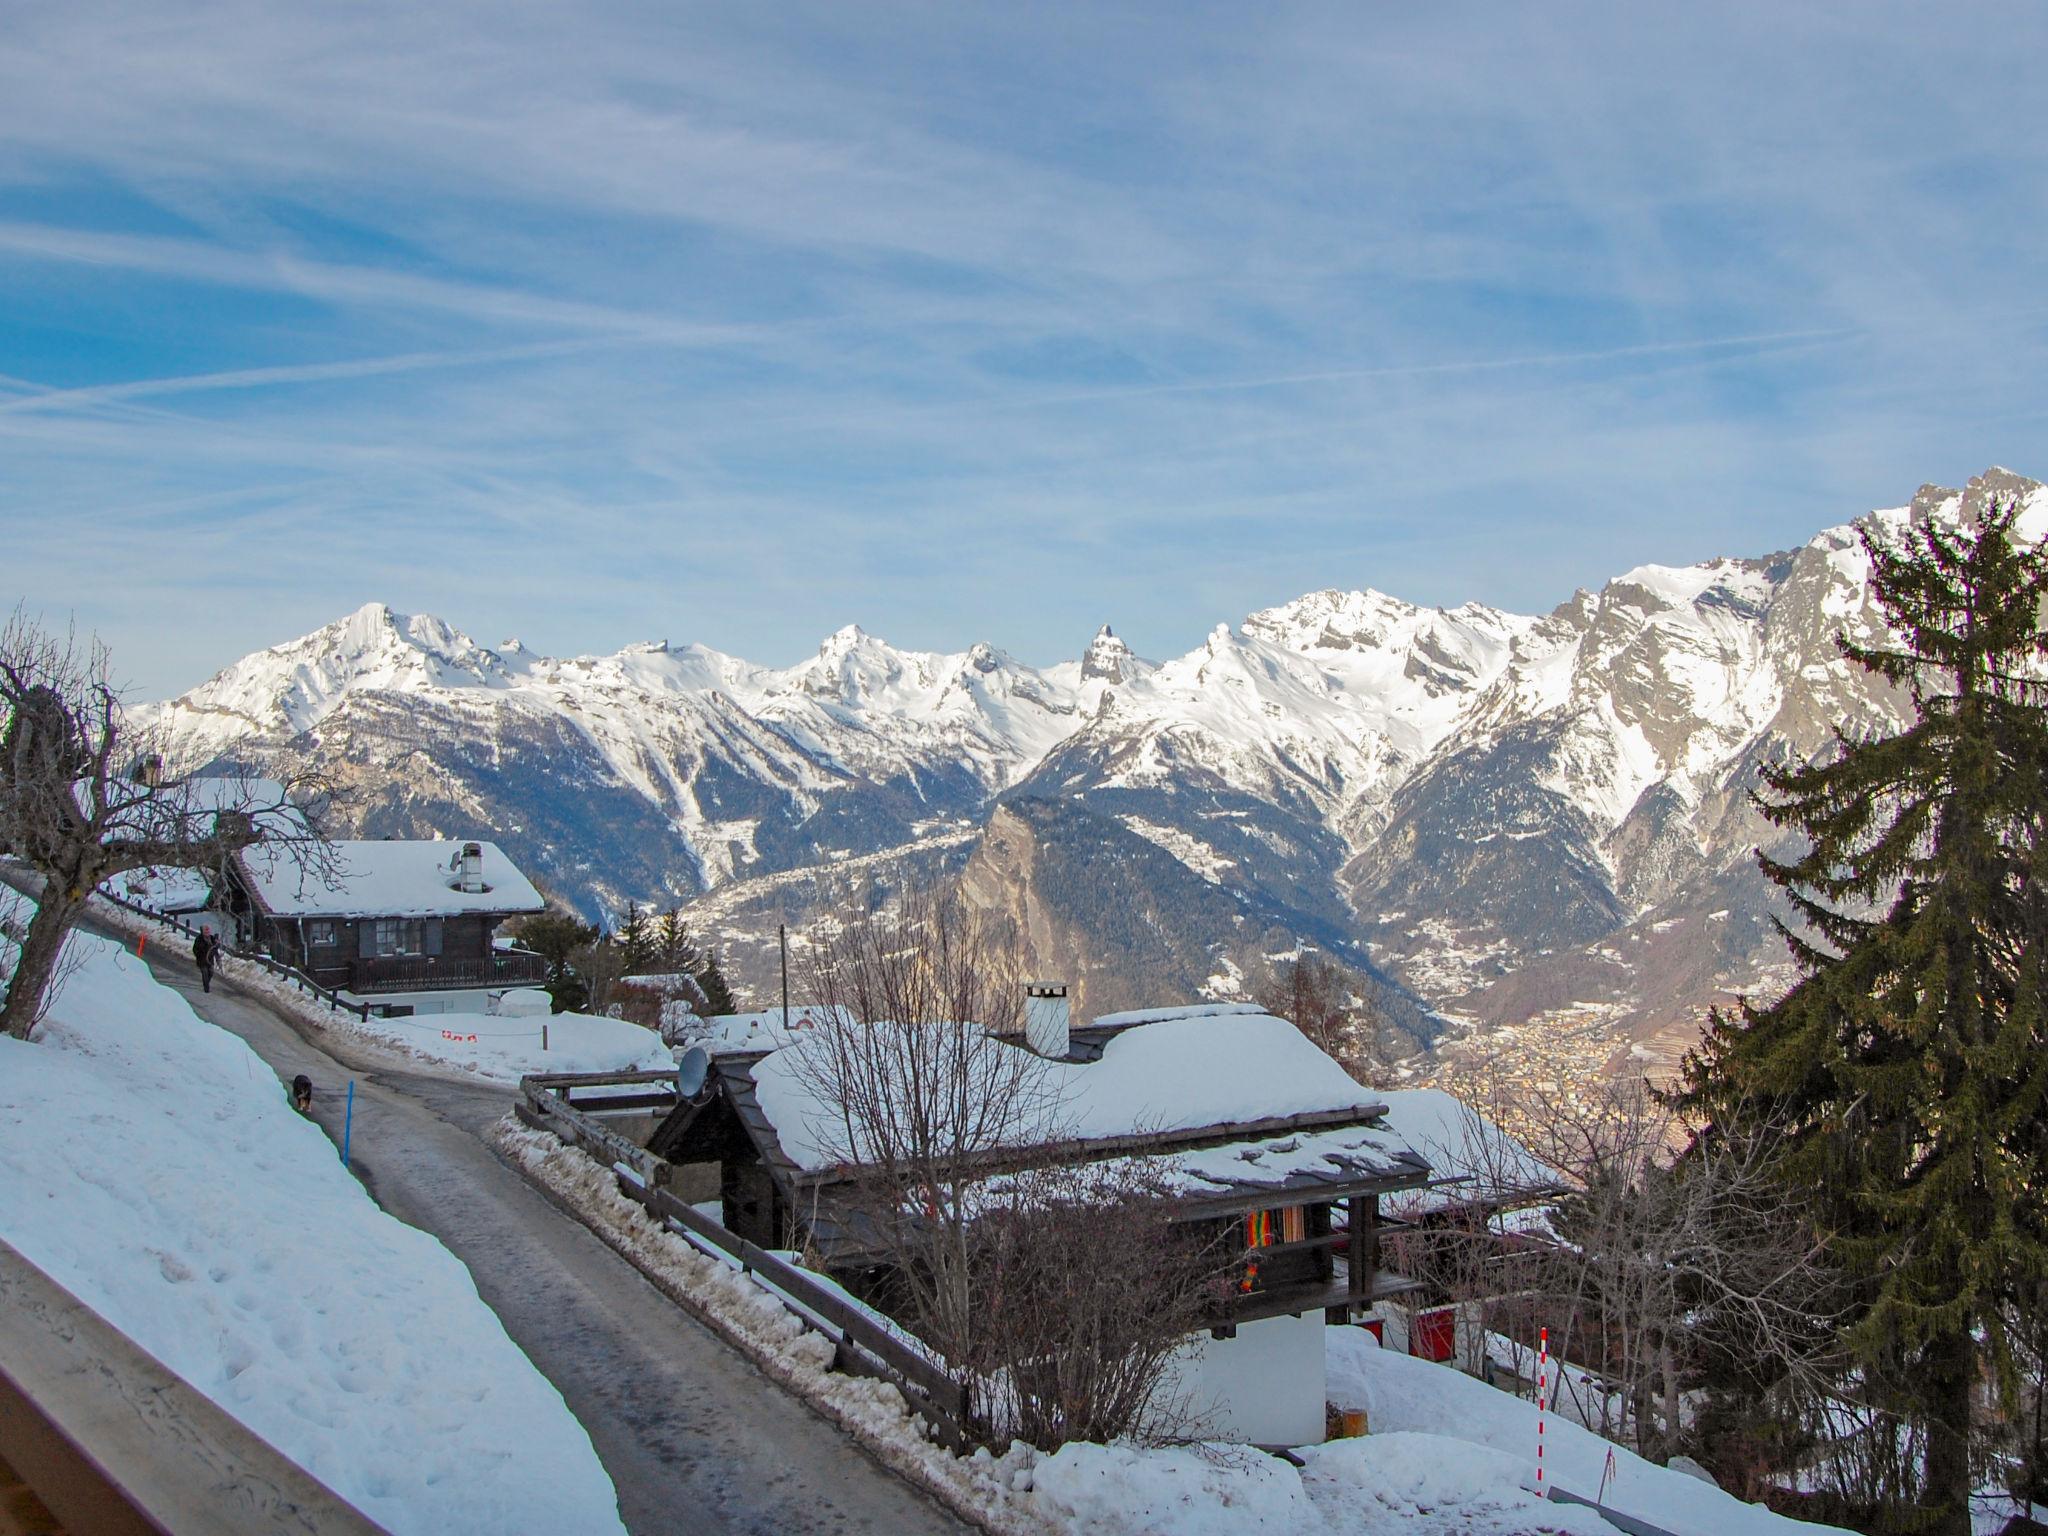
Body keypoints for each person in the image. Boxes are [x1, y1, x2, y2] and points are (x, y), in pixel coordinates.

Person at [192, 929, 219, 994]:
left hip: (210, 960)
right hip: (201, 960)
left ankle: (206, 983)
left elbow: (215, 948)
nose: (207, 933)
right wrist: (199, 955)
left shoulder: (212, 938)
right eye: (205, 932)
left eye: (208, 931)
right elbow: (195, 949)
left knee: (211, 972)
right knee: (205, 973)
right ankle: (206, 987)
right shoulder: (199, 939)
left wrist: (217, 944)